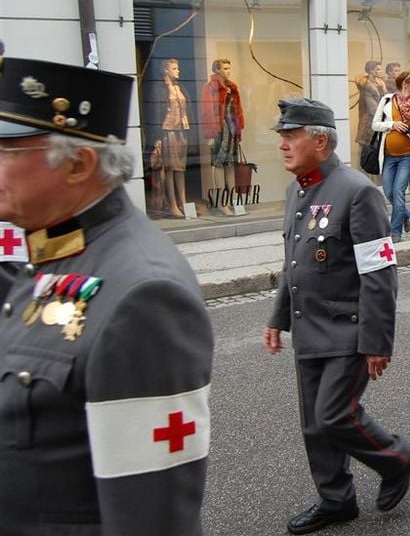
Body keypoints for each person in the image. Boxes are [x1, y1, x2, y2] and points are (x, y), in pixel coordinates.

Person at [0, 57, 213, 534]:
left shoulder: (143, 294)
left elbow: (152, 518)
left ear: (79, 164)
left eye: (8, 150)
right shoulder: (51, 250)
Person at [264, 98, 410, 535]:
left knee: (334, 414)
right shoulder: (297, 190)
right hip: (309, 327)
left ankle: (396, 457)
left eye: (291, 136)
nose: (283, 144)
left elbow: (380, 274)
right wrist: (278, 317)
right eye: (281, 136)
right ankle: (336, 500)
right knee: (314, 425)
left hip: (349, 329)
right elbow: (295, 263)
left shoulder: (357, 192)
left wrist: (377, 342)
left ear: (320, 141)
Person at [372, 71, 410, 242]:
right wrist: (392, 124)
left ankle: (395, 232)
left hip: (407, 156)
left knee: (398, 192)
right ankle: (405, 214)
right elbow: (375, 125)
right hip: (388, 156)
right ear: (404, 84)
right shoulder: (387, 101)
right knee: (389, 192)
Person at [201, 58, 244, 215]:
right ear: (217, 70)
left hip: (232, 130)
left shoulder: (232, 87)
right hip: (219, 130)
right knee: (219, 164)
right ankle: (221, 202)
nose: (228, 71)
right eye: (225, 68)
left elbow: (237, 110)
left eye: (229, 68)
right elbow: (206, 111)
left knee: (231, 164)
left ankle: (234, 200)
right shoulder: (210, 88)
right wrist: (210, 133)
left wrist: (239, 128)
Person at [158, 58, 190, 218]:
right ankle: (172, 204)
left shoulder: (179, 87)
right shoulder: (161, 89)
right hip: (168, 129)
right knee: (170, 168)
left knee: (180, 167)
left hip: (182, 129)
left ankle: (184, 203)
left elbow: (187, 107)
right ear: (166, 70)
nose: (178, 71)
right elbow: (157, 110)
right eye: (174, 69)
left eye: (178, 68)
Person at [355, 60, 386, 148]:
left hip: (378, 120)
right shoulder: (367, 86)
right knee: (369, 150)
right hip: (369, 122)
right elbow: (372, 109)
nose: (380, 71)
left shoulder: (380, 84)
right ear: (371, 71)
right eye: (378, 69)